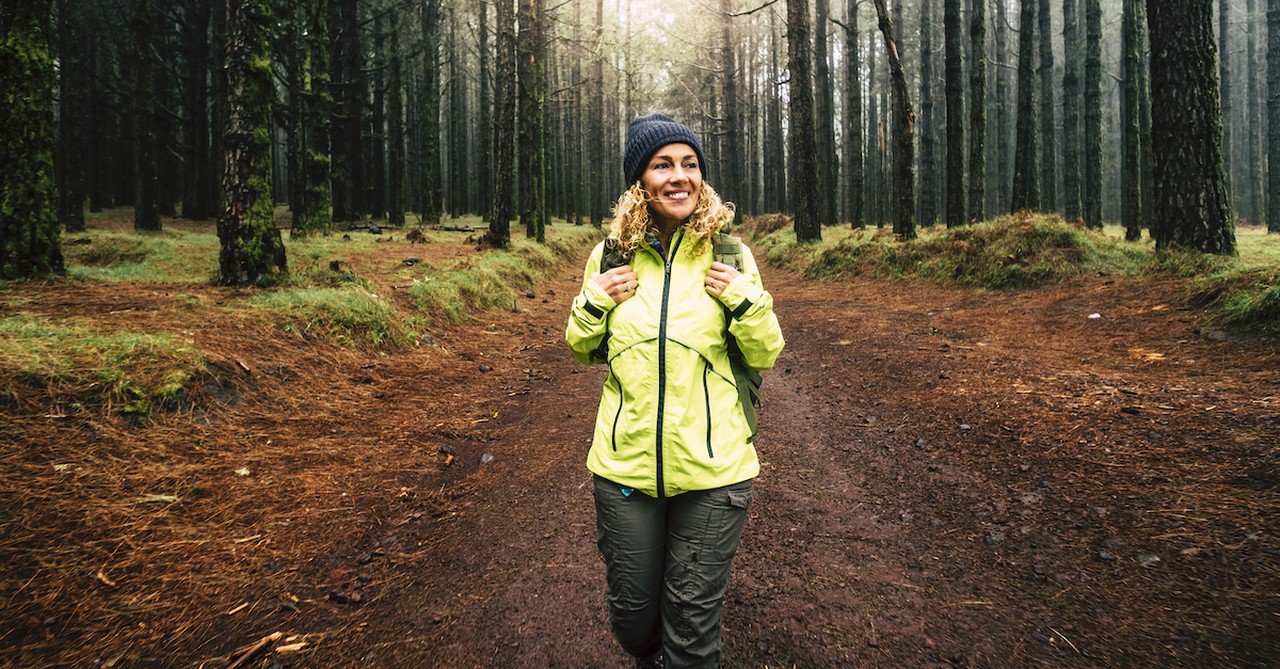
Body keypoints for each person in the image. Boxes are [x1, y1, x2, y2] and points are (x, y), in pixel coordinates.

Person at [565, 113, 785, 669]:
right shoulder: (610, 256)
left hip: (714, 473)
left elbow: (764, 352)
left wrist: (746, 301)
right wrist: (594, 303)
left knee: (690, 630)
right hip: (625, 470)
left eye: (689, 164)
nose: (679, 176)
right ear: (639, 180)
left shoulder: (729, 255)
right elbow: (582, 348)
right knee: (635, 624)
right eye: (662, 164)